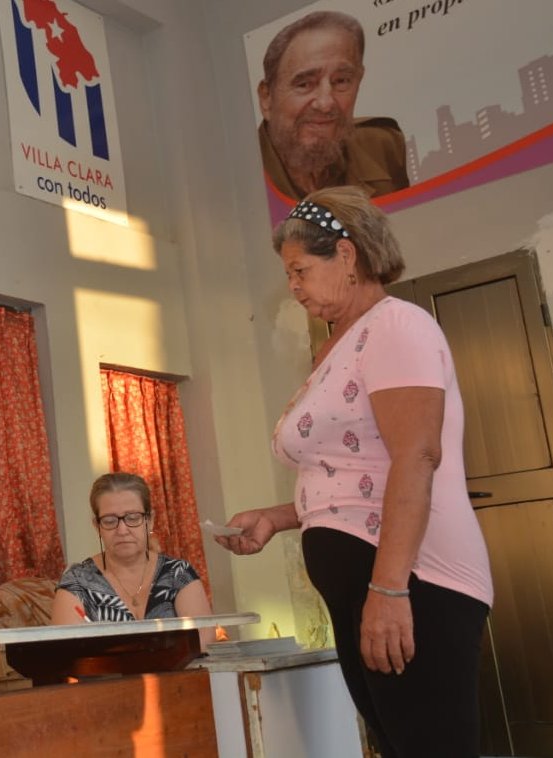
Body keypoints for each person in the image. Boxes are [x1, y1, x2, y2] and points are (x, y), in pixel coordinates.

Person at [215, 186, 493, 757]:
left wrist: (389, 589)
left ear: (346, 256)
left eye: (300, 270)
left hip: (416, 580)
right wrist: (278, 516)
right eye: (288, 274)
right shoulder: (340, 344)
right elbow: (354, 473)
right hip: (373, 583)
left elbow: (416, 456)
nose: (293, 287)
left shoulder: (397, 326)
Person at [257, 11, 409, 201]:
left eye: (342, 81)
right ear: (266, 97)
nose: (326, 103)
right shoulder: (238, 180)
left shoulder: (384, 146)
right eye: (305, 84)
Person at [51, 473, 214, 647]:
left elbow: (203, 639)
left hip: (178, 674)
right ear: (97, 526)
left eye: (133, 518)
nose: (122, 530)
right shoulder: (77, 581)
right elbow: (66, 651)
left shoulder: (178, 573)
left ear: (149, 521)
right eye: (109, 521)